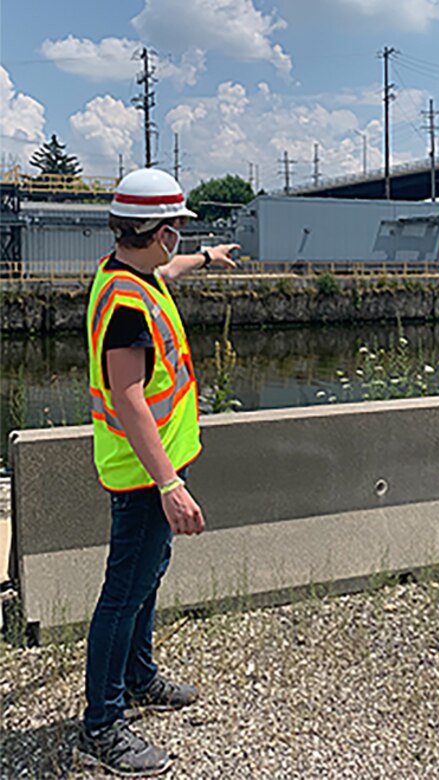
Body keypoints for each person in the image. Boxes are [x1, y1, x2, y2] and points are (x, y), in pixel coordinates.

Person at [76, 168, 239, 776]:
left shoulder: (131, 274)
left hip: (161, 463)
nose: (178, 242)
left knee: (147, 577)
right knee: (122, 595)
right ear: (160, 230)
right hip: (146, 473)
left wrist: (205, 257)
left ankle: (139, 677)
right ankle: (102, 725)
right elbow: (128, 397)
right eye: (178, 232)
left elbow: (167, 273)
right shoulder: (125, 304)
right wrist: (169, 483)